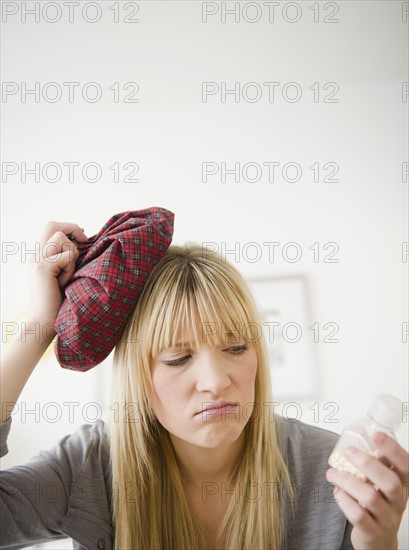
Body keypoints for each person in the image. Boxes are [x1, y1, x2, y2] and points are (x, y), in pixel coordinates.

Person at [0, 221, 408, 550]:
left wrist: (379, 543)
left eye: (235, 347)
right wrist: (38, 325)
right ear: (137, 377)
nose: (215, 382)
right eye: (178, 358)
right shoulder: (86, 469)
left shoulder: (328, 471)